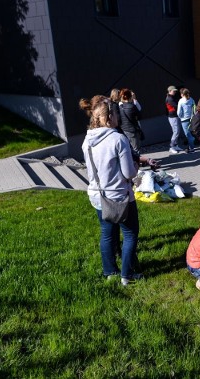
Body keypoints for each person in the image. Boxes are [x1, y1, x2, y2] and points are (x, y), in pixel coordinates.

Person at [80, 95, 143, 286]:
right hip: (119, 196)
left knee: (107, 234)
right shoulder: (118, 139)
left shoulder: (87, 140)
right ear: (110, 118)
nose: (119, 118)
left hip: (97, 195)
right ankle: (127, 275)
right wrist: (136, 167)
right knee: (130, 234)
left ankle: (110, 272)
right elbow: (128, 172)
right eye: (116, 114)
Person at [178, 88, 196, 153]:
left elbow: (179, 112)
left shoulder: (181, 101)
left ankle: (192, 148)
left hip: (184, 120)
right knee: (190, 132)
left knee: (188, 134)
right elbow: (194, 108)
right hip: (191, 118)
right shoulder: (191, 99)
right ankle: (190, 146)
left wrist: (181, 117)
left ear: (182, 94)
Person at [166, 85, 183, 154]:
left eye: (175, 91)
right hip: (172, 117)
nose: (175, 92)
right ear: (170, 91)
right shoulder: (169, 98)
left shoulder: (172, 97)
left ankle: (175, 145)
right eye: (174, 91)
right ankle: (171, 146)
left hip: (175, 116)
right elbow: (176, 106)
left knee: (177, 131)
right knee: (176, 131)